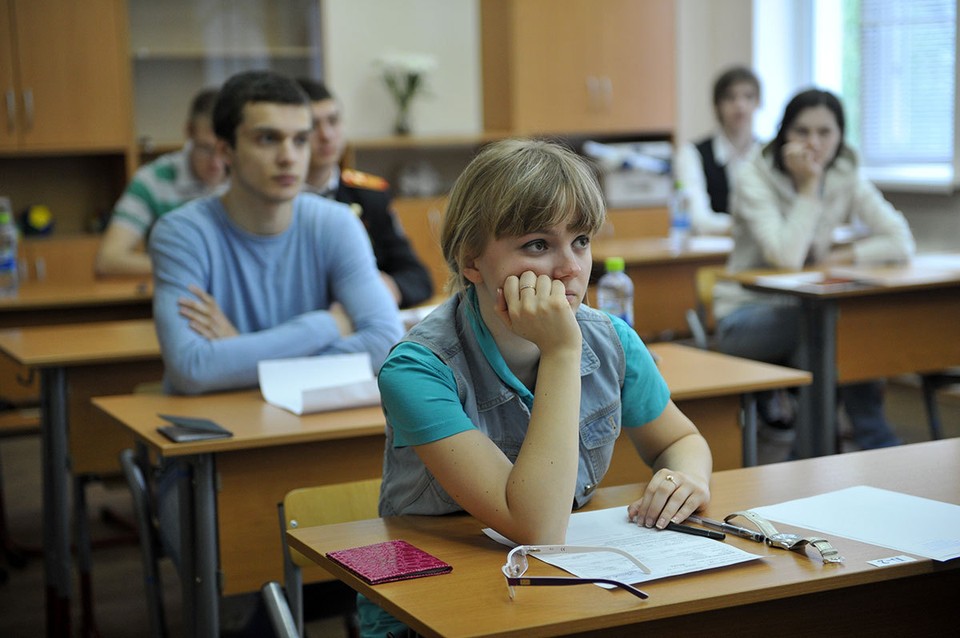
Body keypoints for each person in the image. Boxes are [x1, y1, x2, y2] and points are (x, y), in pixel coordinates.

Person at [363, 139, 713, 636]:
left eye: (581, 240)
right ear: (471, 261)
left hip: (567, 588)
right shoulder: (418, 370)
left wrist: (688, 477)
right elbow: (537, 530)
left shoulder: (612, 340)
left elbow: (680, 439)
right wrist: (562, 352)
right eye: (538, 245)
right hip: (427, 609)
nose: (571, 268)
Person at [149, 69, 404, 396]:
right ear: (225, 151)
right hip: (217, 419)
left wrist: (237, 351)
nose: (288, 157)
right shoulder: (181, 233)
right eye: (267, 139)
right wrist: (327, 325)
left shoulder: (337, 223)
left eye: (300, 140)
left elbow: (386, 344)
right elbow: (192, 368)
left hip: (305, 418)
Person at [713, 88, 916, 450]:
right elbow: (785, 257)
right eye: (802, 131)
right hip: (743, 316)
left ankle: (813, 454)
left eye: (825, 132)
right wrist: (809, 188)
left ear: (840, 136)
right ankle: (870, 439)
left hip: (809, 313)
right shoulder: (753, 176)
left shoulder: (844, 172)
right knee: (827, 327)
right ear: (783, 133)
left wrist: (840, 257)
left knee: (829, 332)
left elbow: (901, 240)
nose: (814, 143)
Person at [295, 77, 434, 308]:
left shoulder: (369, 196)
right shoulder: (279, 202)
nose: (326, 135)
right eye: (313, 125)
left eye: (333, 121)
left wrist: (391, 287)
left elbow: (417, 276)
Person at [96, 87, 228, 276]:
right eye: (205, 148)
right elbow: (108, 260)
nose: (216, 163)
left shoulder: (247, 179)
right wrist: (186, 269)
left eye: (224, 150)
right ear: (189, 131)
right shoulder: (152, 180)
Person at [673, 66, 762, 236]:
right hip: (713, 248)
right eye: (730, 97)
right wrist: (752, 228)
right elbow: (698, 219)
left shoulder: (769, 155)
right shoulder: (692, 154)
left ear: (758, 102)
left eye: (748, 96)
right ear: (717, 105)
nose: (740, 105)